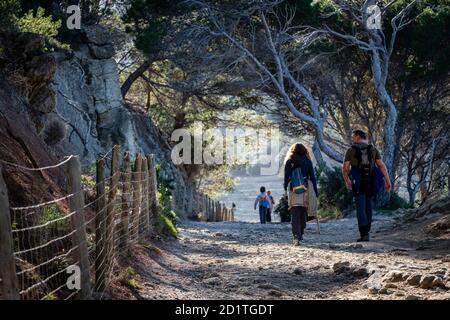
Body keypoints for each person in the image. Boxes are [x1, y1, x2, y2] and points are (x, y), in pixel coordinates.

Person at [342, 129, 392, 242]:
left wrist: (347, 180)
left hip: (358, 181)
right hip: (371, 181)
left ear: (359, 137)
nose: (352, 138)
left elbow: (345, 168)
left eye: (353, 136)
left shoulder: (351, 150)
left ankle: (364, 233)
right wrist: (388, 181)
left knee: (360, 207)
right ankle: (367, 230)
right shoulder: (373, 149)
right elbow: (381, 166)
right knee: (368, 205)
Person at [284, 143, 318, 246]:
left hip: (293, 189)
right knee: (303, 211)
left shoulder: (289, 162)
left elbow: (286, 178)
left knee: (295, 213)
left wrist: (286, 188)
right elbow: (312, 177)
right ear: (304, 150)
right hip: (305, 189)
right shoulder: (307, 161)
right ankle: (301, 234)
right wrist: (315, 191)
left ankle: (296, 236)